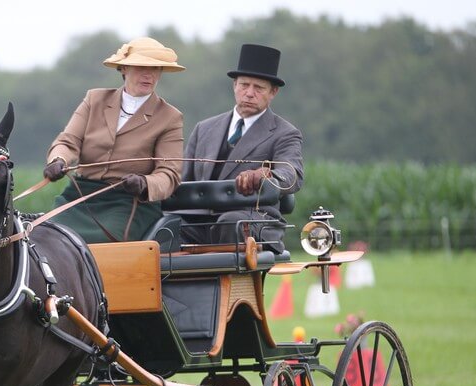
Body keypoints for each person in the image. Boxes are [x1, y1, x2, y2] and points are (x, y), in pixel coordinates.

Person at [43, 37, 185, 244]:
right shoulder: (94, 99)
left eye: (156, 68)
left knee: (101, 240)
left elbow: (169, 174)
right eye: (141, 67)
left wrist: (144, 183)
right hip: (80, 196)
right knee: (48, 236)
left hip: (129, 202)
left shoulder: (170, 117)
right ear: (123, 69)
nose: (149, 74)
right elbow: (68, 142)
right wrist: (58, 160)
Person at [182, 43, 304, 252]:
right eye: (244, 85)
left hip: (253, 221)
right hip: (200, 222)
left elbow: (292, 174)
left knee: (231, 222)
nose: (249, 93)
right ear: (234, 85)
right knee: (164, 226)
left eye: (259, 88)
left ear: (273, 92)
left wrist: (267, 175)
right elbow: (183, 180)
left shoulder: (285, 133)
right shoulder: (204, 129)